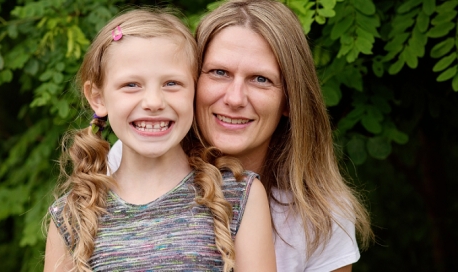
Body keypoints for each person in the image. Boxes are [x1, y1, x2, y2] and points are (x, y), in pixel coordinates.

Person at [109, 0, 374, 271]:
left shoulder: (321, 216)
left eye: (260, 79)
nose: (235, 99)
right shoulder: (132, 159)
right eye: (219, 72)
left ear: (289, 101)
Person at [43, 9, 276, 272]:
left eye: (172, 83)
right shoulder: (72, 216)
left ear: (195, 90)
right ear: (98, 97)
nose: (153, 102)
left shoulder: (237, 195)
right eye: (131, 85)